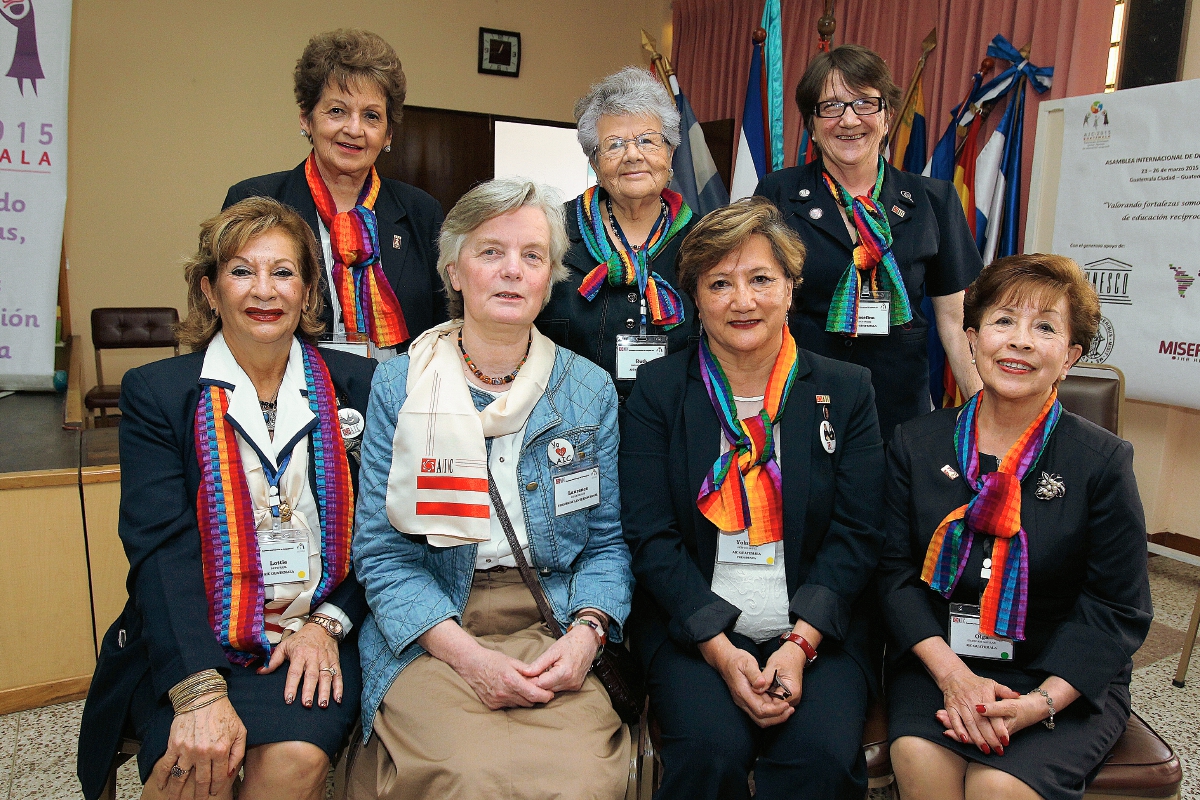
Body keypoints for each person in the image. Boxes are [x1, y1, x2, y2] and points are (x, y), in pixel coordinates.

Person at [77, 197, 376, 800]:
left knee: (293, 759)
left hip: (312, 630)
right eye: (241, 271)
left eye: (283, 272)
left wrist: (328, 623)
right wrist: (198, 690)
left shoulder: (360, 384)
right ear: (210, 291)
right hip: (193, 633)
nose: (264, 290)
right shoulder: (158, 393)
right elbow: (160, 549)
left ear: (308, 293)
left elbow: (381, 530)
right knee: (192, 773)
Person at [346, 178, 633, 800]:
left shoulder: (588, 391)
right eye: (490, 252)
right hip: (434, 627)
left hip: (553, 620)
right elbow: (382, 555)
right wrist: (470, 659)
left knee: (583, 780)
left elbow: (606, 546)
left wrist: (587, 635)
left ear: (550, 278)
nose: (512, 271)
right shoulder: (400, 386)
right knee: (465, 776)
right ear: (453, 270)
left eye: (532, 255)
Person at [620, 197, 886, 799]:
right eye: (720, 283)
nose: (743, 300)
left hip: (819, 628)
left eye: (761, 279)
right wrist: (718, 648)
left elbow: (858, 534)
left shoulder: (846, 390)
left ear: (791, 288)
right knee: (707, 755)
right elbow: (650, 535)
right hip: (695, 629)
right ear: (696, 298)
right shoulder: (660, 389)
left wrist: (800, 644)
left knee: (820, 761)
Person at [877, 254, 1153, 800]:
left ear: (1069, 357)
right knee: (918, 756)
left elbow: (1115, 606)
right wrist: (953, 676)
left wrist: (1039, 703)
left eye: (1045, 328)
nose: (1021, 341)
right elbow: (892, 575)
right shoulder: (915, 443)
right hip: (942, 659)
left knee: (998, 786)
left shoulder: (1101, 462)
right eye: (1004, 321)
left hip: (1058, 673)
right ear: (973, 340)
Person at [755, 45, 983, 438]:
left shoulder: (935, 200)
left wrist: (984, 415)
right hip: (801, 400)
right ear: (812, 125)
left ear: (887, 116)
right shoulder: (778, 194)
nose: (849, 119)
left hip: (899, 411)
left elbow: (956, 323)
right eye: (831, 106)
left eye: (864, 103)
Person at [225, 28, 445, 356]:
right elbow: (228, 313)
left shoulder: (421, 212)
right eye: (337, 111)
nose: (354, 129)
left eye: (371, 116)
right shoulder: (255, 200)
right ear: (306, 119)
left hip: (400, 383)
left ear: (388, 135)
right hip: (288, 381)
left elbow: (444, 324)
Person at [536, 66, 698, 399]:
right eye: (615, 145)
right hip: (569, 415)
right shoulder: (550, 230)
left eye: (648, 141)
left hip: (676, 417)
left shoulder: (707, 240)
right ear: (595, 162)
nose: (633, 155)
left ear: (670, 152)